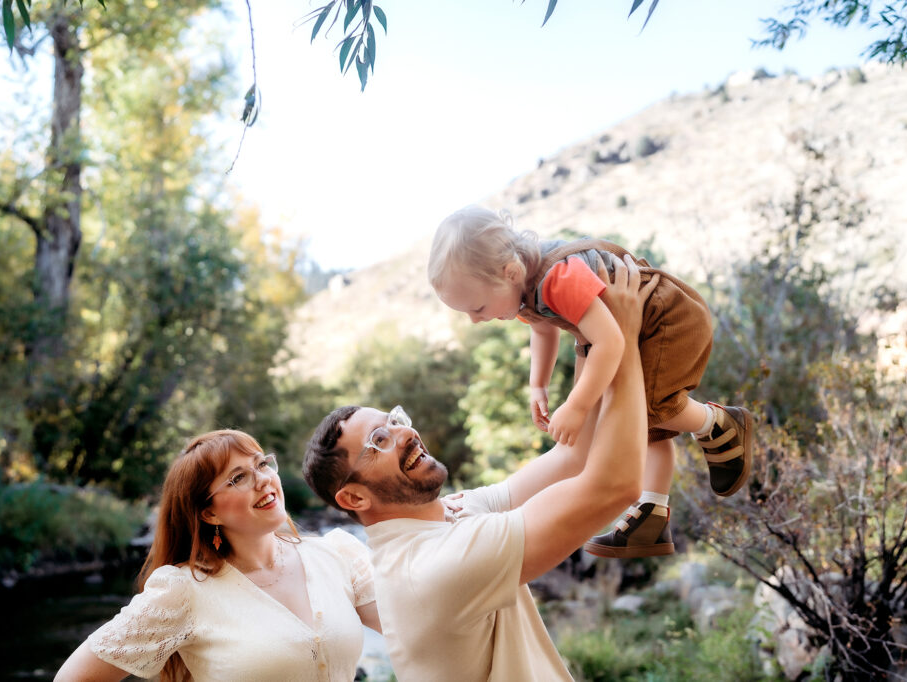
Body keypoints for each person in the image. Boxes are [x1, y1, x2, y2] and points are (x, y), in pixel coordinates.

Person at [303, 254, 653, 681]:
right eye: (379, 441)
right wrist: (624, 338)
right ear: (354, 497)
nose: (404, 433)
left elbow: (571, 459)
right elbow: (614, 486)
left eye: (393, 421)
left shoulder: (450, 513)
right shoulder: (434, 567)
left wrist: (588, 333)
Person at [426, 205, 754, 558]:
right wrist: (539, 384)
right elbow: (542, 327)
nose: (476, 321)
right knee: (637, 423)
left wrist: (578, 405)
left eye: (477, 308)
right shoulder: (522, 287)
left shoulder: (557, 279)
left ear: (509, 272)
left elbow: (610, 342)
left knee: (651, 410)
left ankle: (718, 423)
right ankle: (651, 516)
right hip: (634, 326)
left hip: (666, 318)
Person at [55, 429, 380, 682]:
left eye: (262, 464)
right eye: (239, 478)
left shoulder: (338, 554)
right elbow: (75, 676)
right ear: (209, 513)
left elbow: (413, 629)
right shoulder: (183, 591)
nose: (263, 480)